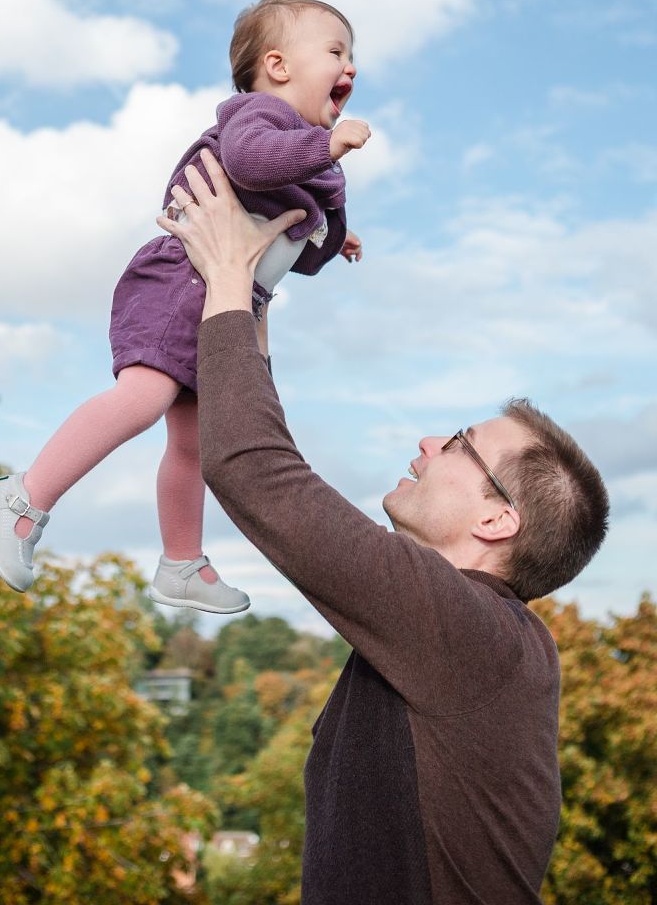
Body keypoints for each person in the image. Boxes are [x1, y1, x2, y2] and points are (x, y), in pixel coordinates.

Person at [157, 149, 610, 904]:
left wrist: (230, 278)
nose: (431, 443)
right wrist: (255, 304)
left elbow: (257, 472)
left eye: (460, 443)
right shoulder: (473, 638)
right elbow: (266, 456)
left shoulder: (471, 631)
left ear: (499, 518)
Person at [0, 0, 370, 614]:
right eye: (336, 52)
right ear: (278, 65)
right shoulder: (260, 118)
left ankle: (181, 562)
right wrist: (328, 150)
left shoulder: (300, 155)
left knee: (195, 442)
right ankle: (23, 497)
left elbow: (295, 245)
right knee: (143, 396)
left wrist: (329, 233)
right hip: (179, 282)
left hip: (220, 300)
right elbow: (248, 162)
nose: (351, 68)